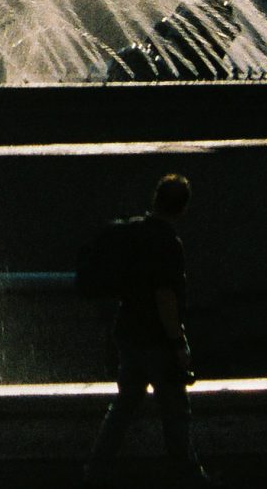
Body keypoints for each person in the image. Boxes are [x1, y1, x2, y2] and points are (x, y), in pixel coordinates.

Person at [85, 173, 210, 487]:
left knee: (124, 405)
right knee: (176, 410)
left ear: (155, 199)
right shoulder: (168, 242)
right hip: (156, 339)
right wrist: (178, 343)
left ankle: (96, 471)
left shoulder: (133, 233)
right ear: (182, 208)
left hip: (127, 332)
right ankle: (188, 476)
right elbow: (165, 296)